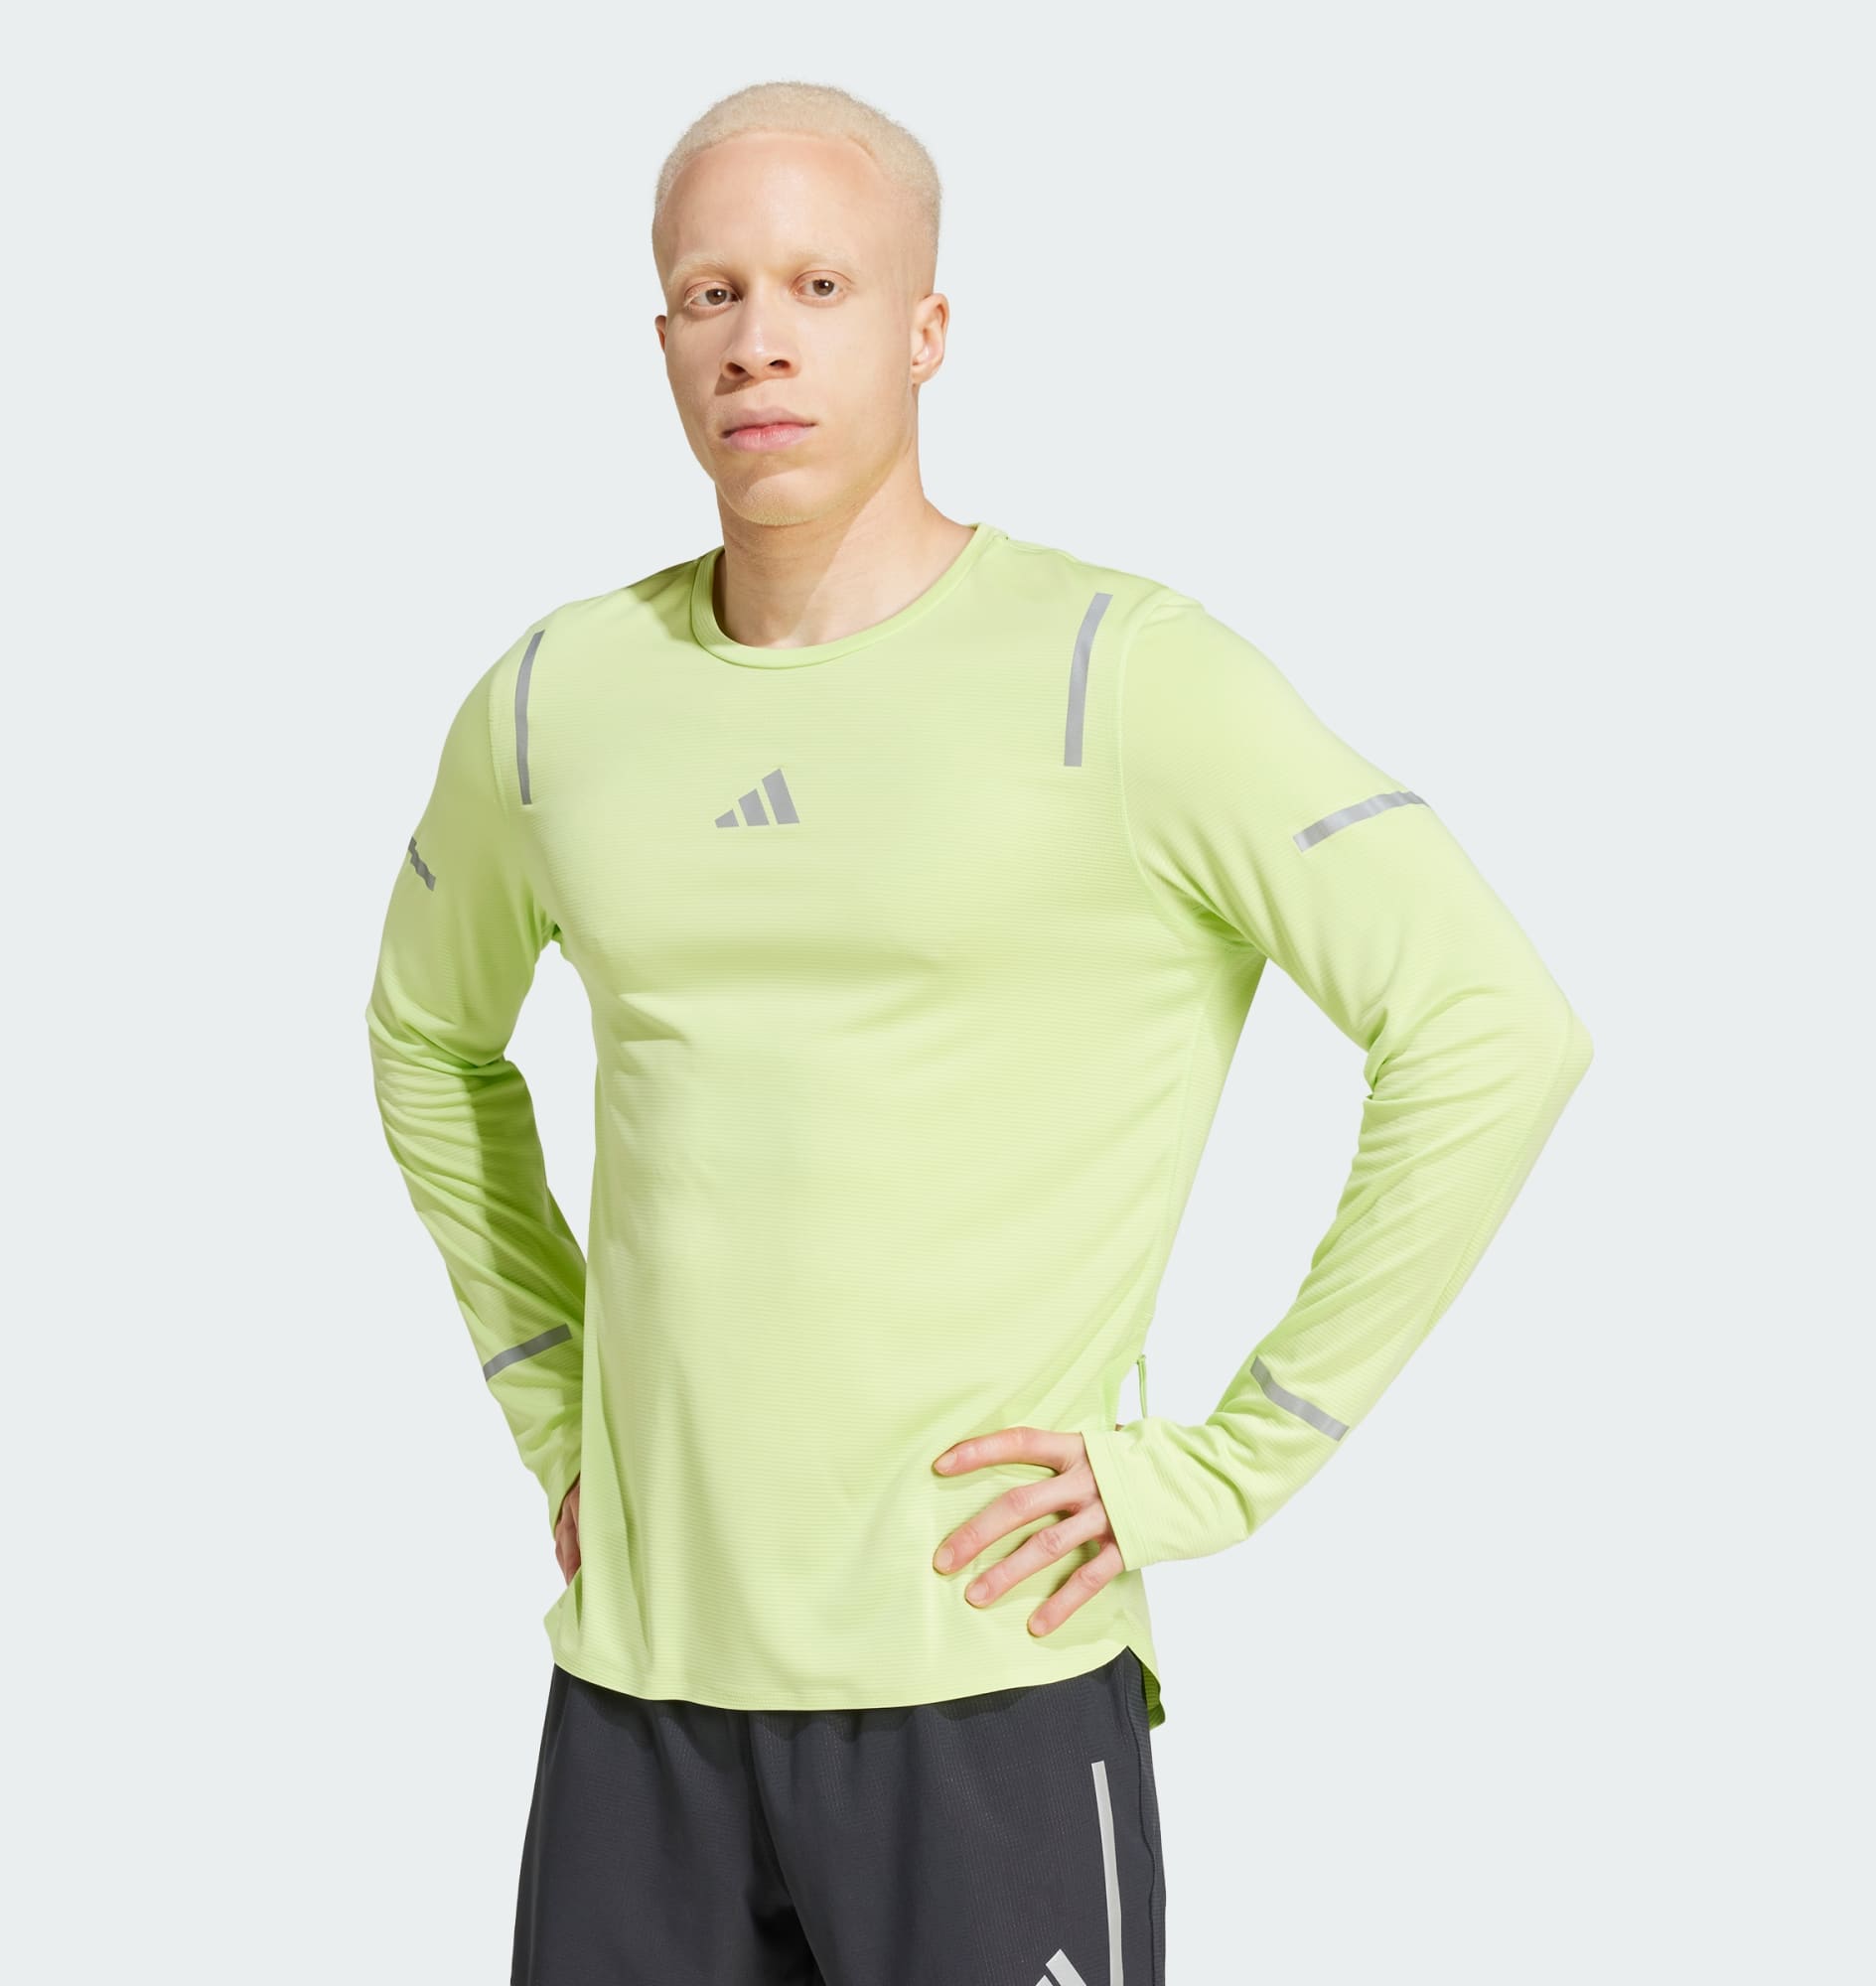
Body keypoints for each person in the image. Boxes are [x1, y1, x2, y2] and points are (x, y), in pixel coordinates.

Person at [363, 78, 1592, 1986]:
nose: (760, 340)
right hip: (638, 1701)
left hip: (985, 1686)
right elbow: (426, 1043)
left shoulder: (1124, 677)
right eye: (711, 293)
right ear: (663, 335)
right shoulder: (550, 702)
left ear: (926, 328)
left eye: (821, 284)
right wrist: (555, 1406)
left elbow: (1491, 1025)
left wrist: (1229, 1465)